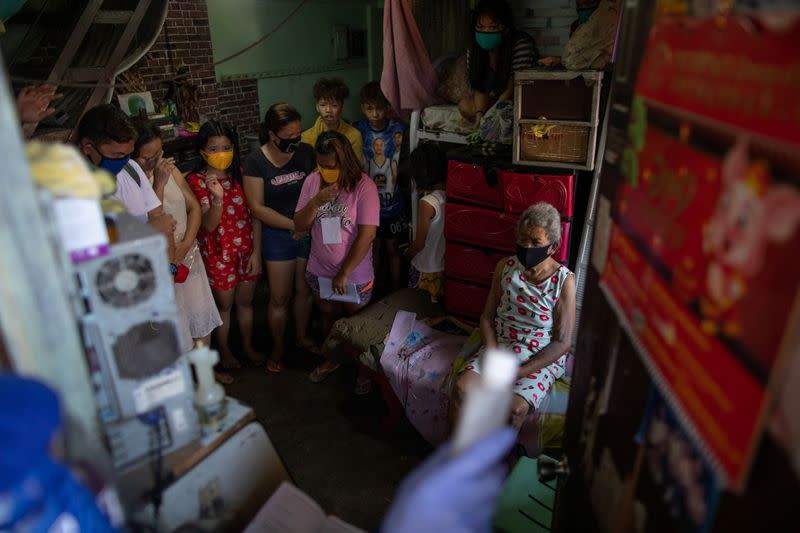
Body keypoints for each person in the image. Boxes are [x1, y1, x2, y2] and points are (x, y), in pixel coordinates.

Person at [452, 203, 576, 429]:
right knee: (461, 389)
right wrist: (491, 353)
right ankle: (455, 455)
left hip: (537, 355)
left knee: (513, 410)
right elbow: (488, 318)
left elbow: (563, 341)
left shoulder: (564, 281)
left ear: (553, 247)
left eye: (536, 242)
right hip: (502, 345)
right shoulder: (506, 267)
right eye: (522, 239)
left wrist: (520, 371)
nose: (527, 247)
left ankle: (498, 461)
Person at [130, 118, 223, 363]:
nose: (154, 162)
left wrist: (185, 245)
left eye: (158, 153)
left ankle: (205, 375)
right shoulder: (131, 183)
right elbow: (155, 217)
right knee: (174, 329)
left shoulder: (170, 170)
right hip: (163, 265)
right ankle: (186, 384)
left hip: (187, 254)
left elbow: (193, 208)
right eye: (146, 158)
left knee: (200, 320)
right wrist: (158, 184)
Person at [293, 131, 379, 391]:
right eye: (322, 165)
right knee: (328, 316)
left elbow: (367, 235)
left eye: (332, 166)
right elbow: (299, 225)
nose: (327, 171)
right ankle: (332, 360)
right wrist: (315, 202)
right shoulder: (312, 182)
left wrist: (344, 272)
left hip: (353, 275)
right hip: (321, 270)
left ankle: (363, 371)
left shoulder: (364, 186)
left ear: (346, 161)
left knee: (357, 325)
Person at [243, 104, 317, 373]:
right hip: (278, 235)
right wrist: (293, 225)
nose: (295, 141)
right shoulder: (255, 161)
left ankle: (301, 336)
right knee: (279, 297)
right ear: (273, 135)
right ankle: (277, 347)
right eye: (289, 137)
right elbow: (257, 208)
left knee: (304, 289)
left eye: (298, 135)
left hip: (307, 231)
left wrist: (304, 225)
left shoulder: (306, 153)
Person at [185, 120, 264, 371]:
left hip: (247, 252)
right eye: (215, 148)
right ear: (202, 152)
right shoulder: (196, 181)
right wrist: (217, 199)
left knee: (245, 303)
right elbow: (207, 225)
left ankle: (248, 346)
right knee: (224, 307)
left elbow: (255, 215)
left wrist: (256, 252)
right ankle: (226, 351)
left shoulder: (242, 174)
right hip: (218, 255)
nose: (222, 154)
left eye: (226, 147)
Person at [77, 104, 176, 239]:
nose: (123, 161)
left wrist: (169, 260)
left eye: (128, 154)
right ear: (88, 147)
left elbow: (159, 218)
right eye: (117, 155)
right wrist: (147, 230)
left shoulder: (131, 168)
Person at [354, 81, 408, 292]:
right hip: (368, 205)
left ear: (387, 107)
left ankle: (395, 292)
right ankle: (373, 293)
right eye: (369, 108)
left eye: (379, 108)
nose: (375, 114)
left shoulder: (399, 128)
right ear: (363, 108)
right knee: (372, 249)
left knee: (393, 249)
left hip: (393, 204)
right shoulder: (358, 130)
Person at [458, 0, 537, 127]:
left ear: (505, 29)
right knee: (465, 106)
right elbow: (479, 87)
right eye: (481, 27)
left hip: (517, 99)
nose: (487, 31)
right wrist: (480, 117)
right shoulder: (474, 50)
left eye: (493, 27)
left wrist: (491, 115)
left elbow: (512, 88)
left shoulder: (521, 45)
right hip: (493, 99)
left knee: (509, 113)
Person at [404, 144, 447, 303]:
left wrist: (406, 255)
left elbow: (419, 243)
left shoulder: (427, 202)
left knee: (417, 310)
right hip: (441, 268)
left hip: (424, 268)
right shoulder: (450, 197)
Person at [300, 78, 364, 163]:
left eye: (334, 105)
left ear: (342, 107)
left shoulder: (354, 135)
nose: (328, 110)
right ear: (317, 107)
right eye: (323, 105)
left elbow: (356, 168)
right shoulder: (306, 137)